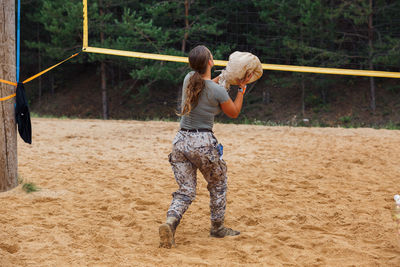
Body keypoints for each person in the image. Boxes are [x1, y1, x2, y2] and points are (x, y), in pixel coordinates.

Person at [159, 45, 253, 248]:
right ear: (210, 62)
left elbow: (207, 84)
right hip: (202, 144)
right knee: (218, 184)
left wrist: (226, 78)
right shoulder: (217, 91)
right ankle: (217, 228)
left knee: (185, 191)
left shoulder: (189, 79)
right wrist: (241, 89)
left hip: (180, 142)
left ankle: (170, 223)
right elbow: (234, 112)